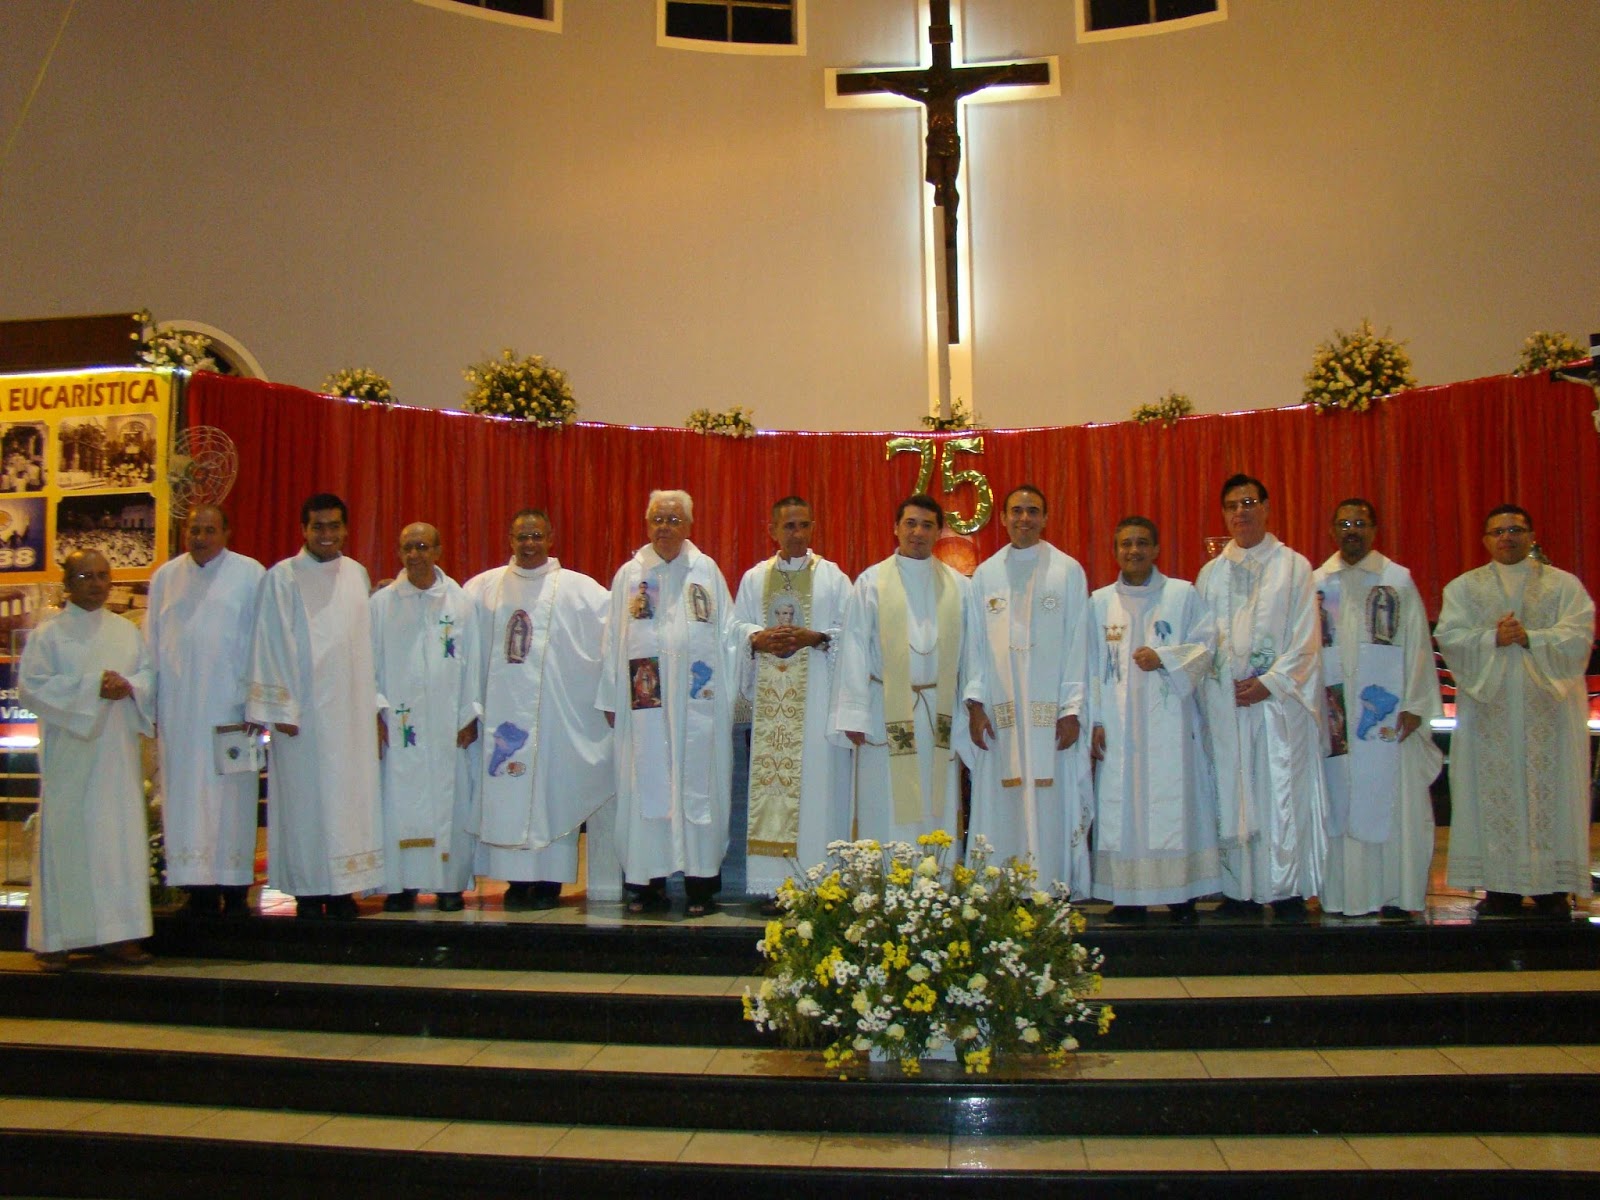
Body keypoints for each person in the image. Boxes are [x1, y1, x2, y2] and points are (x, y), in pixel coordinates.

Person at [1434, 505, 1595, 919]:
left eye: (1515, 529)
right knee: (1495, 797)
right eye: (1498, 531)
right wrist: (1492, 637)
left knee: (1550, 795)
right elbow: (1450, 637)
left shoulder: (1564, 586)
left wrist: (1531, 638)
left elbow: (1579, 635)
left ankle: (1553, 888)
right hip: (1492, 715)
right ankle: (1500, 887)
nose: (1507, 537)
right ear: (1485, 540)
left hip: (1550, 716)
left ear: (1531, 535)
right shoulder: (1464, 588)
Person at [464, 509, 614, 912]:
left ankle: (550, 882)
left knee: (552, 794)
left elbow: (616, 630)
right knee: (507, 797)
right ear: (509, 540)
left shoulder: (580, 590)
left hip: (553, 721)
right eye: (521, 536)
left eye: (536, 536)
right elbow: (452, 624)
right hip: (500, 715)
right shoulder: (483, 589)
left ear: (550, 538)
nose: (528, 544)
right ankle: (515, 882)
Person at [598, 490, 738, 917]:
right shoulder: (631, 575)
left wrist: (730, 695)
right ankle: (647, 884)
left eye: (674, 520)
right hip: (646, 705)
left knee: (701, 786)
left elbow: (728, 635)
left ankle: (701, 885)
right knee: (644, 783)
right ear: (647, 524)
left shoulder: (706, 570)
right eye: (658, 519)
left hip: (697, 704)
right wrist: (611, 696)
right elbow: (612, 638)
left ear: (689, 526)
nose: (665, 527)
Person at [1195, 474, 1327, 921]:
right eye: (1232, 505)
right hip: (1228, 709)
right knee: (1232, 795)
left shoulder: (1294, 567)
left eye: (1249, 502)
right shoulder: (1210, 574)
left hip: (1277, 708)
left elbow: (1306, 638)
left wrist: (1270, 682)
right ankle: (1239, 893)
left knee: (1279, 795)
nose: (1241, 512)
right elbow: (1202, 642)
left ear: (1267, 508)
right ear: (1224, 514)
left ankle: (1286, 892)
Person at [246, 493, 383, 920]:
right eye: (318, 526)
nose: (327, 534)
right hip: (302, 717)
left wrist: (373, 706)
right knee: (306, 805)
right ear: (303, 530)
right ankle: (308, 891)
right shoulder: (283, 577)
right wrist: (281, 708)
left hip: (349, 713)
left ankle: (342, 890)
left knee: (347, 803)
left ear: (346, 529)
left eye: (334, 526)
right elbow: (270, 641)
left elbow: (364, 644)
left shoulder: (356, 574)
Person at [20, 550, 155, 970]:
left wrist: (129, 685)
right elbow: (32, 688)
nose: (96, 584)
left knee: (117, 842)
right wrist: (93, 686)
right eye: (85, 576)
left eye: (102, 575)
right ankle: (56, 939)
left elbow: (149, 677)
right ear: (67, 584)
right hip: (70, 756)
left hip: (116, 756)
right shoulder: (48, 636)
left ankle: (120, 933)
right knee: (67, 841)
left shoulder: (127, 632)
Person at [1313, 499, 1443, 920]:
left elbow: (1418, 644)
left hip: (1388, 721)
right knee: (1340, 804)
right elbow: (1307, 651)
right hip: (1335, 718)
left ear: (1374, 529)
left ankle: (1395, 894)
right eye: (1344, 523)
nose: (1351, 530)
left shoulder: (1397, 580)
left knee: (1394, 806)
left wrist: (1416, 704)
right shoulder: (1318, 583)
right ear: (1332, 530)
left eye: (1360, 523)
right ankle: (1343, 897)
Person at [1089, 517, 1219, 923]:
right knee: (1123, 807)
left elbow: (1206, 647)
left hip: (1172, 728)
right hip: (1119, 726)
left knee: (1174, 805)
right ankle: (1127, 898)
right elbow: (1089, 666)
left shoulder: (1182, 594)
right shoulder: (1099, 602)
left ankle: (1181, 895)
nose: (1134, 550)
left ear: (1156, 549)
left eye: (1142, 543)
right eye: (1126, 544)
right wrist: (1095, 720)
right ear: (1115, 551)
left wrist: (1163, 657)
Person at [964, 485, 1093, 894]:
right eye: (1016, 511)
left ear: (1045, 518)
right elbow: (974, 645)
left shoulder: (1067, 571)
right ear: (1003, 518)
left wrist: (1071, 709)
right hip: (1000, 714)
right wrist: (975, 706)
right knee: (1002, 800)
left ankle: (1052, 886)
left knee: (1050, 800)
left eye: (1033, 511)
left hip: (1050, 714)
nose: (1024, 518)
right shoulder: (986, 574)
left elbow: (1079, 645)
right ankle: (1000, 889)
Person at [833, 494, 978, 846]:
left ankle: (935, 874)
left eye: (927, 525)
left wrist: (972, 705)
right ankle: (884, 875)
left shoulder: (959, 587)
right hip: (885, 710)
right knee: (885, 800)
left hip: (938, 713)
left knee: (934, 800)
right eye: (910, 523)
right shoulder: (871, 582)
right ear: (896, 528)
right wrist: (854, 713)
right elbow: (853, 647)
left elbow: (972, 653)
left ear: (939, 532)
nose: (918, 532)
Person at [145, 505, 265, 918]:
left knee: (233, 799)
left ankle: (234, 888)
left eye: (209, 530)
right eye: (194, 530)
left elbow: (262, 640)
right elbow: (152, 643)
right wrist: (151, 702)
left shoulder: (250, 574)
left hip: (233, 711)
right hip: (180, 711)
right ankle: (196, 890)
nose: (200, 537)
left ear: (227, 532)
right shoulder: (165, 577)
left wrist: (257, 702)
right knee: (184, 798)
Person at [733, 496, 853, 906]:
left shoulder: (833, 578)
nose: (797, 533)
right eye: (788, 526)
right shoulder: (754, 579)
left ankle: (819, 883)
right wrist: (757, 638)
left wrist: (815, 637)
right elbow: (734, 629)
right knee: (772, 790)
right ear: (772, 530)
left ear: (814, 527)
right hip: (772, 711)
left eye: (804, 525)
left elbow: (852, 633)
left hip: (817, 705)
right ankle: (774, 885)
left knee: (818, 791)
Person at [370, 523, 482, 913]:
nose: (415, 554)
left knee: (451, 800)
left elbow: (474, 661)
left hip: (448, 724)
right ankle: (400, 885)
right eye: (407, 547)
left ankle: (449, 885)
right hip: (400, 725)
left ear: (438, 551)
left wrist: (471, 714)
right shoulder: (381, 604)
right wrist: (375, 711)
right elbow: (368, 663)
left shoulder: (460, 602)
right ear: (399, 553)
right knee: (397, 800)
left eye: (422, 546)